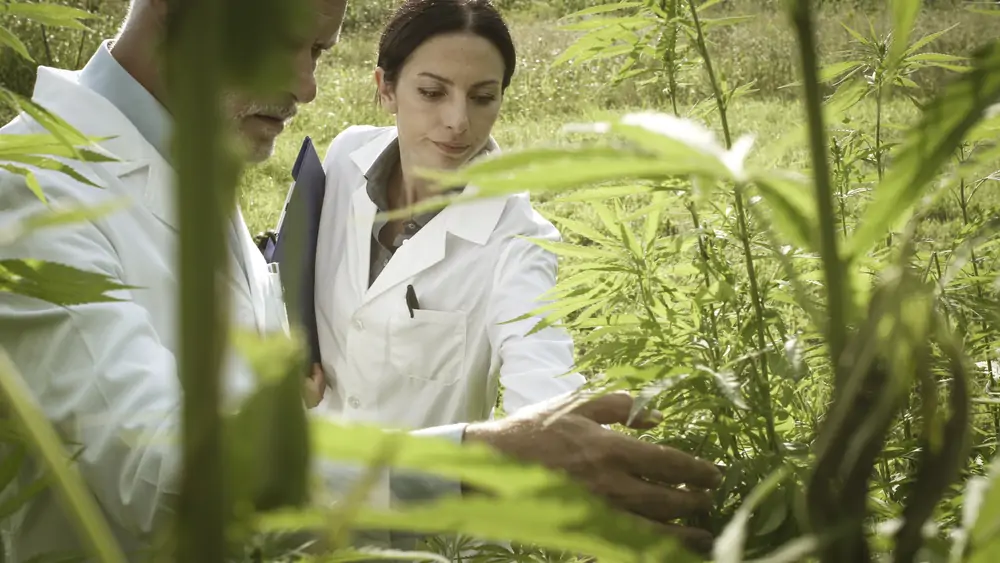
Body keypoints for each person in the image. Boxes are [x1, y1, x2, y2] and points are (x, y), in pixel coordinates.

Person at [0, 0, 721, 560]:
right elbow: (168, 473)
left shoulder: (194, 155)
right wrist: (488, 456)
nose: (307, 87)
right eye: (286, 42)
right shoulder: (29, 193)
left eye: (317, 51)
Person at [312, 0, 585, 431]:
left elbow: (543, 377)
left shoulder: (517, 240)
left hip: (415, 496)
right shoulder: (344, 161)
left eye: (482, 98)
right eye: (432, 93)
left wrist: (563, 435)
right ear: (385, 89)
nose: (459, 121)